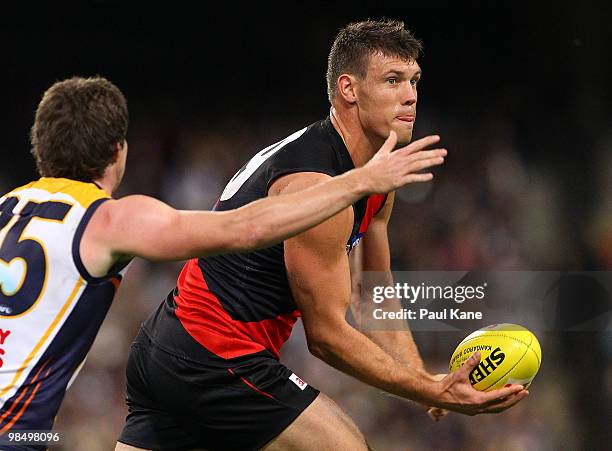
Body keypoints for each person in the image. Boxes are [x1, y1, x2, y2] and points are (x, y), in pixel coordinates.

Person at [116, 20, 528, 451]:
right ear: (348, 89)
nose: (410, 96)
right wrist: (427, 390)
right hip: (212, 356)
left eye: (413, 81)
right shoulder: (318, 182)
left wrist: (424, 380)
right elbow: (326, 337)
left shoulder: (373, 175)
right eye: (392, 81)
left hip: (171, 347)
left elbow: (373, 293)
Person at [0, 75, 447, 449]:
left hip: (131, 371)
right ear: (119, 152)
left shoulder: (6, 207)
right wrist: (361, 181)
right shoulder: (110, 218)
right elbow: (245, 229)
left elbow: (372, 287)